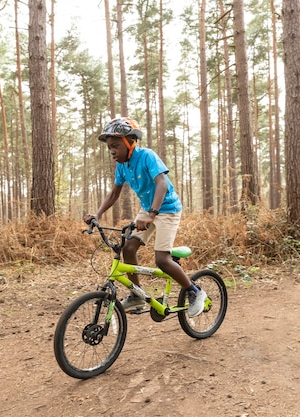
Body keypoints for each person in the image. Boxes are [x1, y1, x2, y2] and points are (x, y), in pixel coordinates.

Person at [83, 117, 207, 317]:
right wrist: (97, 214)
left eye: (115, 146)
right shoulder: (122, 166)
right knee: (128, 248)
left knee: (162, 260)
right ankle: (137, 295)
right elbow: (114, 193)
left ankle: (195, 292)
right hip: (148, 209)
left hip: (166, 209)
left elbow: (162, 184)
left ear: (130, 142)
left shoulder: (147, 156)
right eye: (109, 148)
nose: (112, 151)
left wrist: (152, 215)